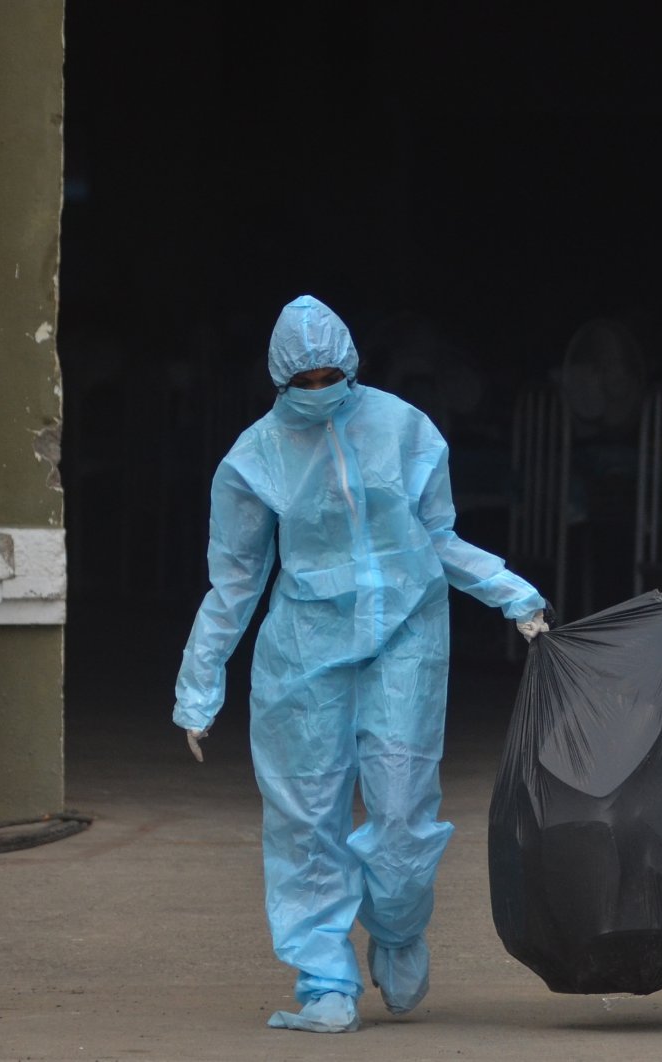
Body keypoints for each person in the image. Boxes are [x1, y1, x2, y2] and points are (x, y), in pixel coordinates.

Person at [173, 295, 550, 1034]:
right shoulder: (253, 458)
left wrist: (511, 593)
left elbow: (436, 534)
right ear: (280, 380)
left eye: (330, 375)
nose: (319, 390)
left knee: (404, 811)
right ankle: (322, 980)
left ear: (352, 366)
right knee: (305, 817)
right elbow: (236, 579)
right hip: (303, 653)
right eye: (303, 380)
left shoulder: (404, 428)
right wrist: (198, 684)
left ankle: (399, 929)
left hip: (406, 634)